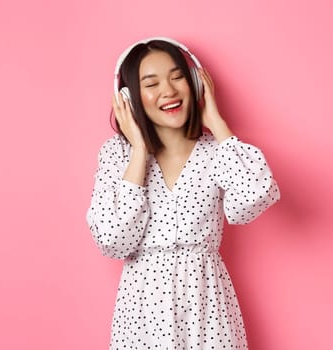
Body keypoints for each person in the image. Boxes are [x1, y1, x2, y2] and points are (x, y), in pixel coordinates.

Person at [86, 37, 280, 349]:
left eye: (177, 77)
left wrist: (217, 123)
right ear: (129, 98)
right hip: (142, 315)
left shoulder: (216, 152)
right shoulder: (117, 155)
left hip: (208, 309)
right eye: (151, 83)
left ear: (196, 84)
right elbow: (113, 241)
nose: (169, 91)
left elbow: (254, 197)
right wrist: (138, 151)